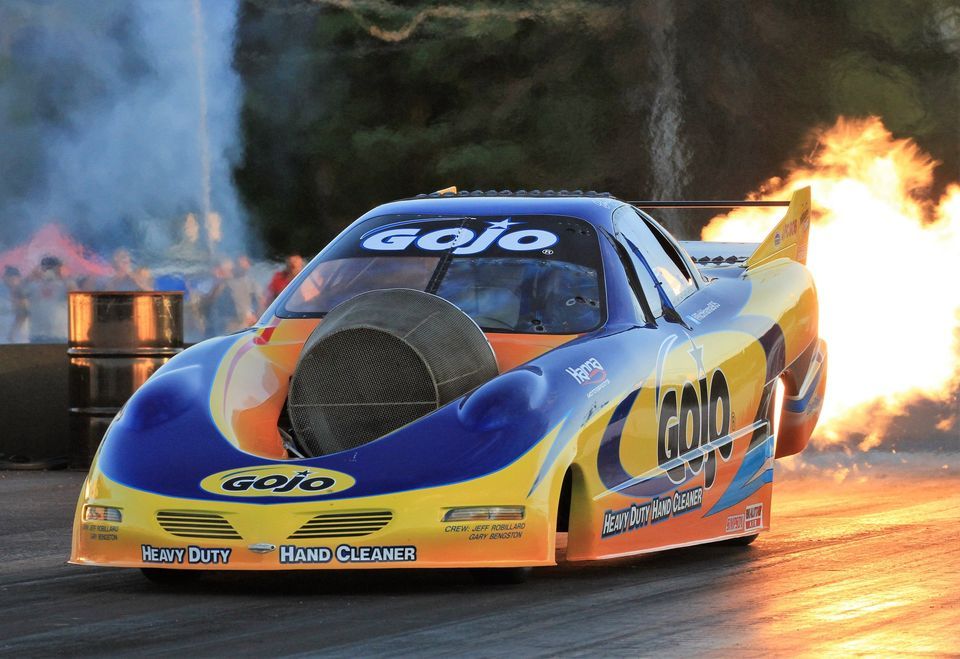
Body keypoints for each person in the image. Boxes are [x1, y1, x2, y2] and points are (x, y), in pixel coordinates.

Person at [23, 256, 75, 343]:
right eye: (46, 267)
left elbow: (75, 295)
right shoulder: (33, 285)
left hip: (61, 335)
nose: (49, 270)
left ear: (59, 268)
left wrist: (62, 276)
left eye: (52, 267)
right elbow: (18, 293)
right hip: (37, 335)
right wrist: (31, 276)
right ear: (41, 268)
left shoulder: (65, 284)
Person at [1, 266, 29, 343]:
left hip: (19, 338)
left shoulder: (21, 292)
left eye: (10, 278)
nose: (4, 280)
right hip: (7, 338)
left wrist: (12, 334)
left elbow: (22, 315)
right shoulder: (7, 292)